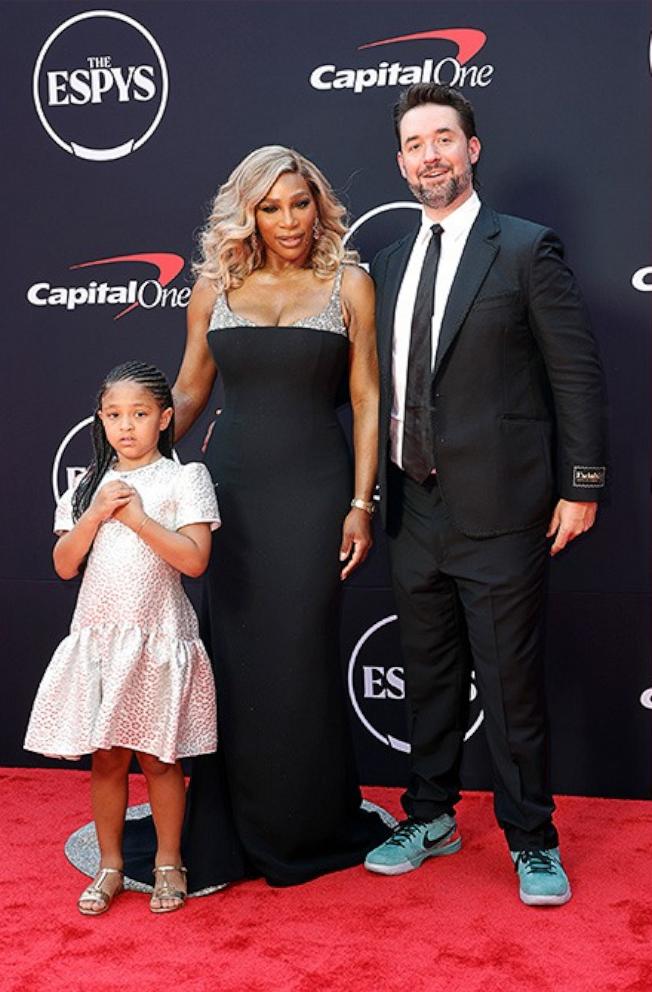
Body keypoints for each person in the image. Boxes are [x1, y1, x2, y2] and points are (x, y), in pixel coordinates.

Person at [363, 84, 606, 905]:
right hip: (413, 508)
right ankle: (429, 815)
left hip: (505, 512)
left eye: (443, 138)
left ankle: (533, 839)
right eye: (413, 143)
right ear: (400, 162)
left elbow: (574, 374)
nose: (428, 153)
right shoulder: (388, 265)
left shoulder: (525, 249)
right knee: (428, 678)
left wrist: (582, 484)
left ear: (473, 149)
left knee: (509, 687)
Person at [123, 146, 390, 890]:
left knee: (300, 653)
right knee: (234, 659)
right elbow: (188, 387)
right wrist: (135, 454)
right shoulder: (214, 287)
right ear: (249, 214)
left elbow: (368, 399)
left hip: (314, 492)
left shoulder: (351, 284)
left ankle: (306, 821)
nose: (288, 221)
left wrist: (361, 504)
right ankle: (230, 822)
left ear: (318, 204)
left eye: (299, 204)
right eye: (270, 208)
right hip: (230, 494)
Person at [24, 361, 220, 915]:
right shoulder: (88, 484)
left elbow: (196, 559)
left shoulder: (186, 479)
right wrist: (96, 515)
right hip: (100, 639)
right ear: (101, 420)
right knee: (107, 759)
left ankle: (167, 863)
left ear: (164, 418)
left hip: (158, 635)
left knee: (160, 760)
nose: (125, 426)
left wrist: (135, 519)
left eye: (138, 414)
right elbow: (65, 565)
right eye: (113, 415)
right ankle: (110, 865)